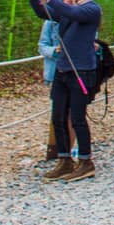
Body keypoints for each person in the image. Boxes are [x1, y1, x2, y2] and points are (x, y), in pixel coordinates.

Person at [29, 0, 103, 182]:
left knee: (78, 117)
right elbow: (46, 13)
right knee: (58, 116)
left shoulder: (91, 9)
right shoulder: (70, 10)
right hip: (62, 68)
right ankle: (64, 159)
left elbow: (73, 14)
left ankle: (86, 160)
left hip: (81, 68)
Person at [39, 16, 62, 159]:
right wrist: (55, 51)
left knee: (73, 114)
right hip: (55, 72)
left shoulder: (84, 16)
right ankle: (55, 149)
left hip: (77, 71)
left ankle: (68, 149)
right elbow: (42, 46)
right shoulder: (50, 22)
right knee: (57, 112)